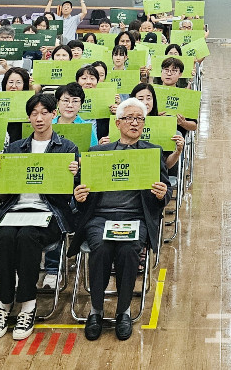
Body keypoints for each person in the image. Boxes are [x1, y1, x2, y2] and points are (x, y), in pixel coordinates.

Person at [70, 98, 171, 342]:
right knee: (101, 248)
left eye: (139, 119)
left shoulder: (152, 152)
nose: (135, 123)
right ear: (117, 123)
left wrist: (162, 194)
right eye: (129, 118)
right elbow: (80, 191)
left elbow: (164, 192)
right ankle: (96, 311)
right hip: (101, 218)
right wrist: (79, 195)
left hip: (135, 218)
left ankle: (123, 311)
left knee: (128, 250)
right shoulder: (98, 153)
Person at [0, 93, 79, 339]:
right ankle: (4, 303)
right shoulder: (15, 148)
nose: (39, 118)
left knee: (27, 237)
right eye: (34, 114)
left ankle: (27, 303)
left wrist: (76, 174)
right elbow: (3, 193)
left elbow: (74, 191)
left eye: (44, 113)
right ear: (29, 118)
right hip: (15, 210)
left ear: (53, 115)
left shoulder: (67, 148)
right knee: (4, 236)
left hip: (49, 213)